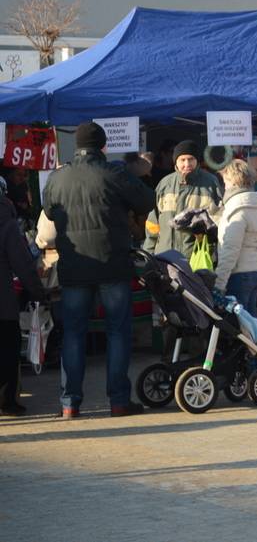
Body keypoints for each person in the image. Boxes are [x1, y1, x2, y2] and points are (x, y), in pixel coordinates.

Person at [42, 122, 156, 418]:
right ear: (103, 146)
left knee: (73, 334)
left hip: (74, 267)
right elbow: (147, 200)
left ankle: (70, 403)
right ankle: (118, 401)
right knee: (118, 332)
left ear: (77, 146)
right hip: (113, 264)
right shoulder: (114, 173)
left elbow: (49, 211)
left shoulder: (58, 177)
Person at [0, 197, 45, 416]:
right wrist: (38, 292)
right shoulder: (6, 223)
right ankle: (7, 401)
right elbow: (23, 264)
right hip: (2, 305)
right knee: (8, 351)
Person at [144, 140, 223, 258]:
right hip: (165, 257)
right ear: (175, 161)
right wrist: (148, 253)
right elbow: (152, 223)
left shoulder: (211, 183)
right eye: (182, 160)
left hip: (197, 258)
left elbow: (221, 222)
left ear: (197, 160)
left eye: (191, 159)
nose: (187, 164)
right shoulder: (164, 184)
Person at [213, 159, 257, 318]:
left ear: (233, 181)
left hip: (240, 274)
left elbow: (230, 249)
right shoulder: (256, 206)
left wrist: (219, 284)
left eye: (225, 182)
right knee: (250, 325)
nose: (224, 187)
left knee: (239, 327)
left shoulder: (236, 209)